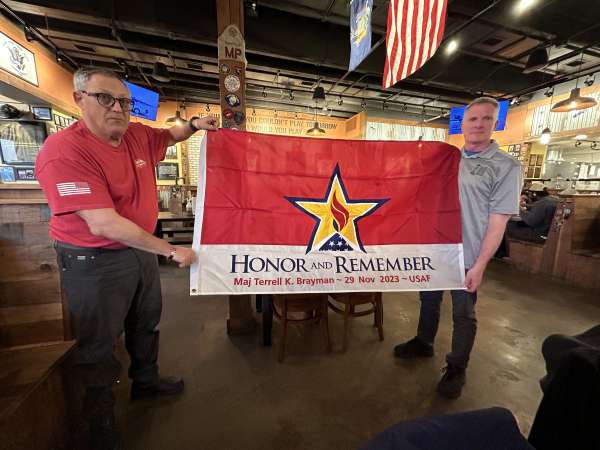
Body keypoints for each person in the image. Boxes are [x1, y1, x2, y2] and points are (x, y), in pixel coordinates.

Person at [35, 67, 218, 450]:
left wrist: (194, 124)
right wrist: (170, 249)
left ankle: (145, 381)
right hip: (93, 258)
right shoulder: (64, 151)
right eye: (105, 98)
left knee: (146, 319)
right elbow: (103, 223)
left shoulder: (135, 134)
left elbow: (170, 134)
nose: (117, 108)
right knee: (98, 343)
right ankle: (99, 424)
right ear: (79, 99)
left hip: (139, 250)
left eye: (124, 101)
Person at [393, 97, 522, 399]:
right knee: (429, 298)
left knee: (463, 313)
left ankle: (457, 367)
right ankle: (424, 341)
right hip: (437, 246)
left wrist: (480, 265)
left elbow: (498, 222)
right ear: (461, 124)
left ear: (495, 123)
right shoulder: (448, 159)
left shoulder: (506, 166)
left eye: (486, 119)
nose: (478, 124)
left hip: (468, 253)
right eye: (472, 119)